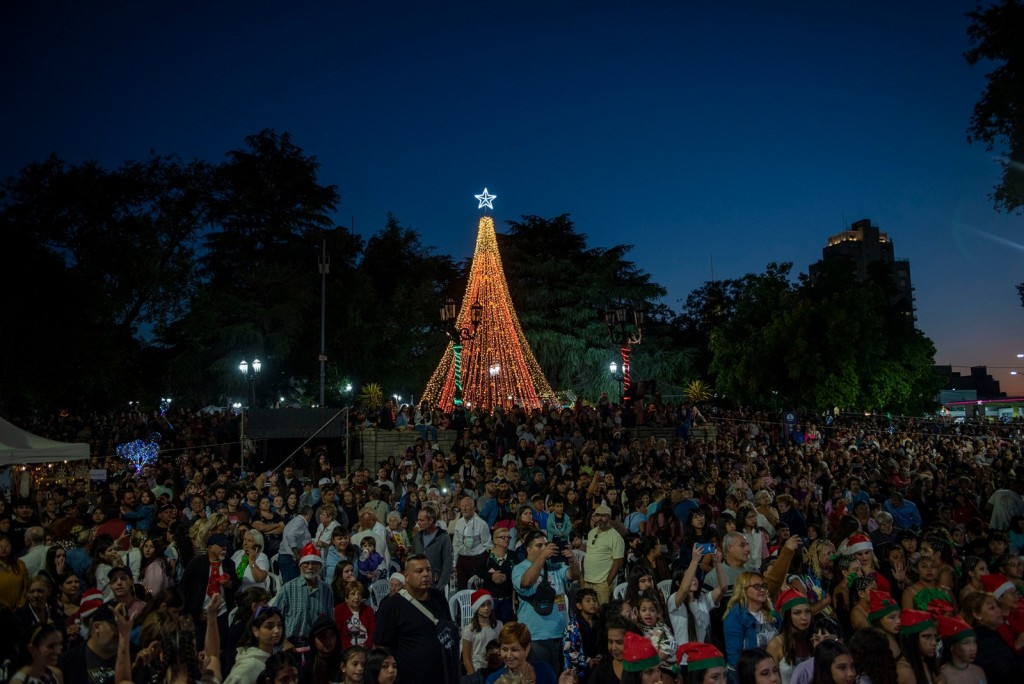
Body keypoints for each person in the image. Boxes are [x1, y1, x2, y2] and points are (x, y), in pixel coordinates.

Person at [374, 554, 460, 684]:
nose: (426, 574)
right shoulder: (391, 605)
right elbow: (381, 648)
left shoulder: (439, 598)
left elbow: (447, 631)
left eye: (428, 570)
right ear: (406, 576)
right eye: (419, 571)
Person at [512, 529, 582, 672]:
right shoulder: (519, 568)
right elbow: (526, 582)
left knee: (561, 677)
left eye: (546, 545)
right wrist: (542, 557)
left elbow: (573, 575)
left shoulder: (555, 565)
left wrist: (572, 560)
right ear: (528, 549)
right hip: (535, 636)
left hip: (561, 634)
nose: (544, 548)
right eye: (539, 546)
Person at [270, 543, 334, 648]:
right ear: (300, 566)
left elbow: (329, 620)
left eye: (314, 563)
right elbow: (275, 617)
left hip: (316, 643)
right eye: (306, 563)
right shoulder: (288, 588)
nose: (310, 567)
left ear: (320, 566)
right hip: (290, 643)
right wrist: (285, 642)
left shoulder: (326, 590)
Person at [723, 573, 778, 684]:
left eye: (764, 586)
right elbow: (734, 657)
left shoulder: (773, 614)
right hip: (746, 676)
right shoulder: (735, 615)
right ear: (744, 590)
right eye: (757, 586)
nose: (762, 590)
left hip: (771, 672)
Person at [669, 544, 727, 644]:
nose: (694, 579)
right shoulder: (673, 601)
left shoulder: (703, 600)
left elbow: (723, 588)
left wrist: (718, 563)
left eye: (695, 576)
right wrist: (695, 561)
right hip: (685, 657)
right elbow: (683, 590)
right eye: (689, 577)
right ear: (678, 583)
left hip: (703, 656)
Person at [960, 591, 1024, 681]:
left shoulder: (990, 635)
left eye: (997, 606)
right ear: (977, 615)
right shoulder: (984, 641)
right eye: (992, 608)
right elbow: (1011, 673)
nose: (999, 610)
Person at [484, 622, 566, 684]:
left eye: (514, 650)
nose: (508, 655)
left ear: (527, 648)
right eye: (504, 649)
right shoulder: (493, 679)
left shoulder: (544, 670)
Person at [58, 604, 120, 684]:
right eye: (116, 626)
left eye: (124, 626)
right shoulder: (68, 662)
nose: (121, 632)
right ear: (97, 627)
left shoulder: (131, 657)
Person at [224, 605, 285, 684]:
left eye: (279, 625)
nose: (277, 630)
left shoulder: (276, 658)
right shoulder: (248, 666)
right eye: (270, 626)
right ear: (255, 630)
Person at [766, 590, 812, 684]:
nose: (804, 617)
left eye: (807, 611)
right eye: (797, 613)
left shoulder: (813, 639)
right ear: (787, 616)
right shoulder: (775, 645)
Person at [584, 505, 625, 605]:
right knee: (588, 611)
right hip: (588, 581)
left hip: (602, 583)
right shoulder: (591, 532)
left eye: (603, 516)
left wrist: (607, 583)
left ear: (609, 517)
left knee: (601, 612)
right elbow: (588, 554)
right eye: (597, 515)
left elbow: (618, 562)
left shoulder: (615, 537)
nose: (600, 519)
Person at [410, 504, 453, 591]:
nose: (418, 523)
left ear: (430, 521)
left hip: (435, 585)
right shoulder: (417, 537)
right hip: (418, 585)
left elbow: (447, 565)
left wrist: (439, 587)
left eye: (421, 520)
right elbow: (412, 559)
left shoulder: (443, 537)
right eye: (418, 520)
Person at [563, 587, 602, 681]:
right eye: (588, 601)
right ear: (579, 606)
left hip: (598, 666)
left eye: (595, 600)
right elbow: (568, 651)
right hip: (578, 672)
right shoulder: (572, 627)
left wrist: (599, 658)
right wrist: (588, 661)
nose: (593, 603)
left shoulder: (601, 623)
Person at [454, 496, 492, 590]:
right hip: (462, 560)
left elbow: (488, 545)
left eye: (466, 505)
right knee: (461, 588)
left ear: (473, 508)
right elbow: (455, 544)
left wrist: (483, 563)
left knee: (474, 589)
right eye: (462, 506)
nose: (464, 508)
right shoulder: (458, 523)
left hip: (476, 561)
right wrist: (454, 563)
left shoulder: (481, 524)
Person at [462, 590, 503, 677]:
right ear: (476, 607)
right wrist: (474, 677)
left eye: (489, 604)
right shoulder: (469, 630)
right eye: (482, 605)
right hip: (477, 670)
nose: (486, 608)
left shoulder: (498, 625)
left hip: (496, 669)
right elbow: (466, 659)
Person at [935, 616, 985, 684]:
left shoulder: (978, 671)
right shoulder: (943, 676)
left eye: (974, 642)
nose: (973, 648)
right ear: (952, 647)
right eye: (966, 643)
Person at [895, 610, 938, 684]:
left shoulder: (925, 662)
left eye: (935, 636)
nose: (934, 642)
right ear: (912, 639)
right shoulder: (905, 671)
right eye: (927, 637)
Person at [302, 615, 344, 684]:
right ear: (313, 640)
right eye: (322, 636)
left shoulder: (344, 663)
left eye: (332, 635)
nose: (328, 641)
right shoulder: (309, 668)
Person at [334, 580, 375, 649]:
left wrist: (365, 645)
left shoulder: (368, 610)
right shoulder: (339, 610)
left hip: (366, 649)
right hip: (347, 651)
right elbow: (338, 634)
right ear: (346, 598)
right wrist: (351, 649)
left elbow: (373, 632)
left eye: (359, 594)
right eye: (353, 594)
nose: (356, 597)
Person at [280, 506, 314, 584]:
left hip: (288, 558)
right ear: (309, 514)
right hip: (289, 558)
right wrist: (296, 552)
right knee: (292, 587)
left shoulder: (295, 520)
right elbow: (290, 535)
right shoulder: (300, 521)